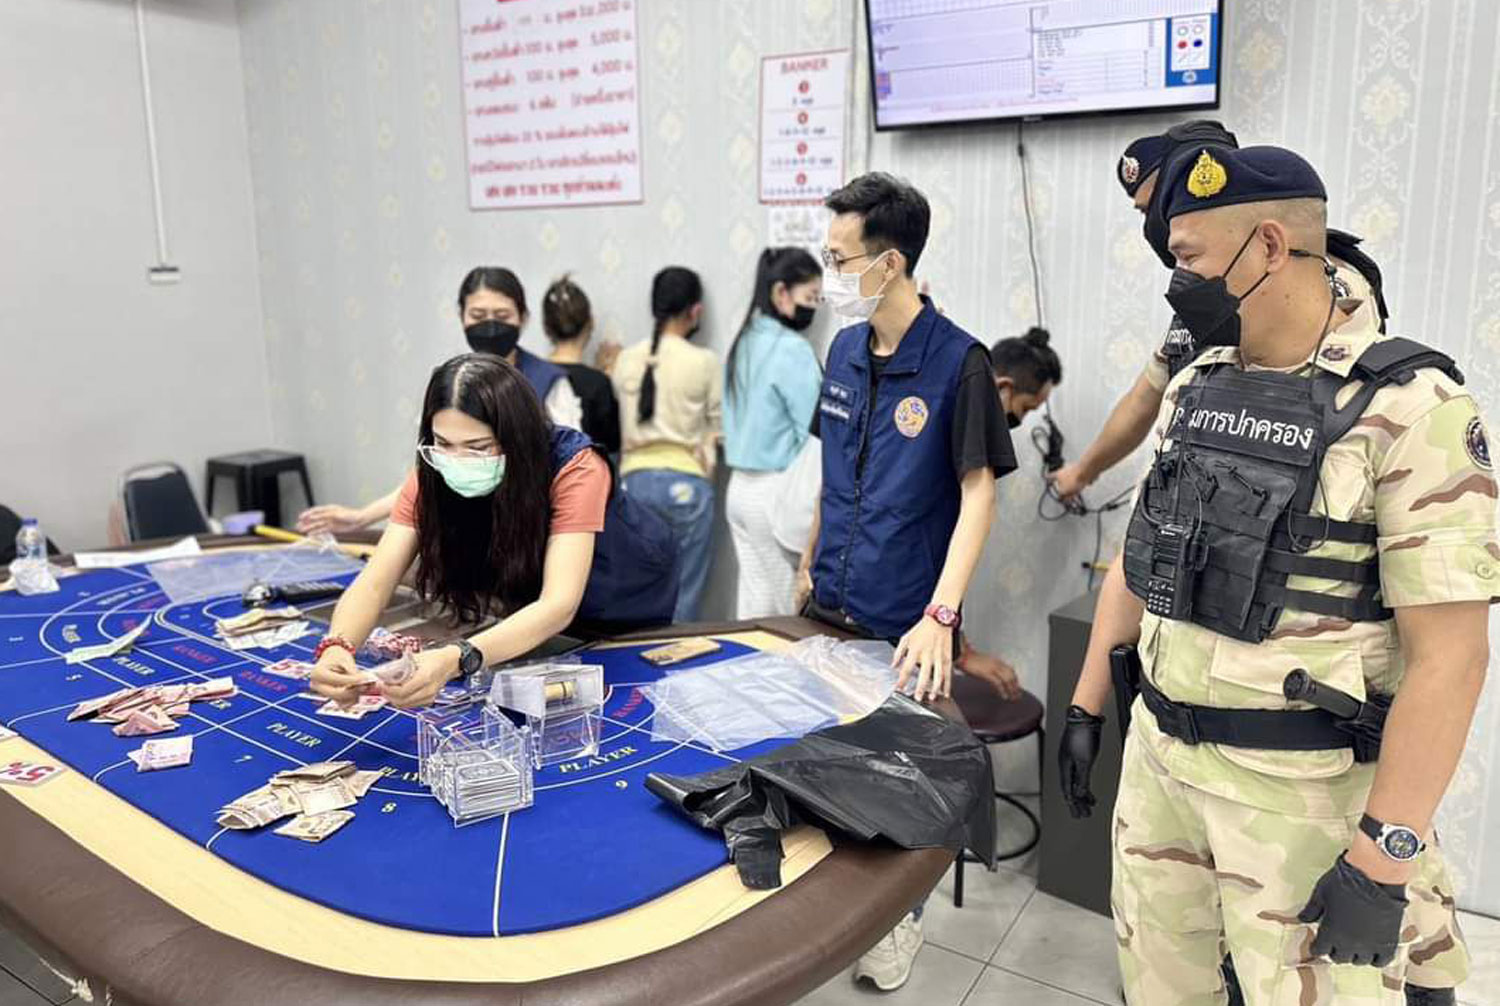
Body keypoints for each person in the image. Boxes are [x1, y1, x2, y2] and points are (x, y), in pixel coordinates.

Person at [1057, 145, 1489, 1005]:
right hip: (1162, 772)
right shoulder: (1196, 387)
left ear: (1264, 249)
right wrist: (1084, 705)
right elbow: (1142, 555)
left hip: (1301, 804)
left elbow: (1453, 657)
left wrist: (1384, 856)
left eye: (1185, 259)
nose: (1176, 283)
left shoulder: (1413, 407)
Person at [795, 172, 1016, 991]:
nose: (831, 275)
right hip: (830, 600)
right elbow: (830, 463)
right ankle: (829, 919)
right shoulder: (846, 349)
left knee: (901, 783)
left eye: (840, 257)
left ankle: (898, 927)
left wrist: (944, 616)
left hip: (906, 616)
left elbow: (979, 492)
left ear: (889, 263)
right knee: (820, 763)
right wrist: (807, 557)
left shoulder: (959, 363)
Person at [1050, 121, 1391, 505]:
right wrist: (1082, 473)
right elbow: (1148, 393)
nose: (1155, 223)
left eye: (1152, 206)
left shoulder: (1321, 285)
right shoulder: (1212, 291)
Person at [309, 354, 610, 708]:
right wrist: (337, 647)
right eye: (444, 443)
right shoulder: (431, 471)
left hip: (605, 613)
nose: (457, 459)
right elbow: (376, 580)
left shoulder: (576, 466)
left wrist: (455, 658)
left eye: (479, 448)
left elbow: (558, 604)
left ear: (518, 439)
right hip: (524, 615)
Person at [298, 268, 585, 536]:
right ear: (462, 316)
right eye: (478, 314)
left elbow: (570, 473)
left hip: (537, 529)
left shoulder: (549, 382)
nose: (490, 325)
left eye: (501, 315)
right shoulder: (450, 385)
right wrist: (361, 517)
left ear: (523, 318)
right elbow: (428, 477)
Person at [954, 326, 1065, 701]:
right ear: (1002, 387)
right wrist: (962, 654)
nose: (1022, 421)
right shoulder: (959, 441)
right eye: (1025, 409)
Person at [612, 267, 722, 623]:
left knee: (634, 591)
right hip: (686, 483)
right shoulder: (704, 361)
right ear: (696, 311)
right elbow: (718, 429)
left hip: (633, 484)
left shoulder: (626, 359)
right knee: (684, 594)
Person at [722, 247, 824, 619]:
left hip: (737, 491)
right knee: (786, 612)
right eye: (811, 297)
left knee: (752, 607)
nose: (815, 307)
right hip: (775, 494)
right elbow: (819, 433)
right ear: (782, 293)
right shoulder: (793, 349)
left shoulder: (743, 341)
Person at [543, 274, 621, 455]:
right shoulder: (597, 383)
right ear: (591, 322)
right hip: (586, 479)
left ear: (546, 327)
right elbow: (612, 443)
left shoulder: (533, 376)